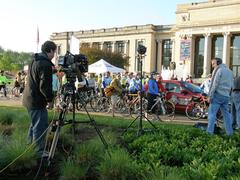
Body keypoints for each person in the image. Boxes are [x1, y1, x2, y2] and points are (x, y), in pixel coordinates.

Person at [23, 40, 56, 157]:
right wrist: (50, 100)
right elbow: (45, 86)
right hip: (36, 100)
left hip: (29, 98)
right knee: (40, 125)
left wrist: (53, 70)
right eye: (54, 52)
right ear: (51, 50)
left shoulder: (35, 60)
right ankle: (39, 151)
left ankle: (29, 145)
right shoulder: (45, 64)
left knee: (34, 124)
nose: (54, 55)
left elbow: (37, 75)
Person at [207, 58, 234, 135]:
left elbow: (214, 84)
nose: (212, 66)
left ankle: (209, 133)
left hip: (217, 95)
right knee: (227, 116)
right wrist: (230, 96)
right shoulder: (230, 71)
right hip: (226, 96)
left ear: (218, 63)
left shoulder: (218, 70)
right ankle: (230, 133)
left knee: (212, 114)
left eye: (213, 64)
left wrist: (210, 96)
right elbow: (232, 85)